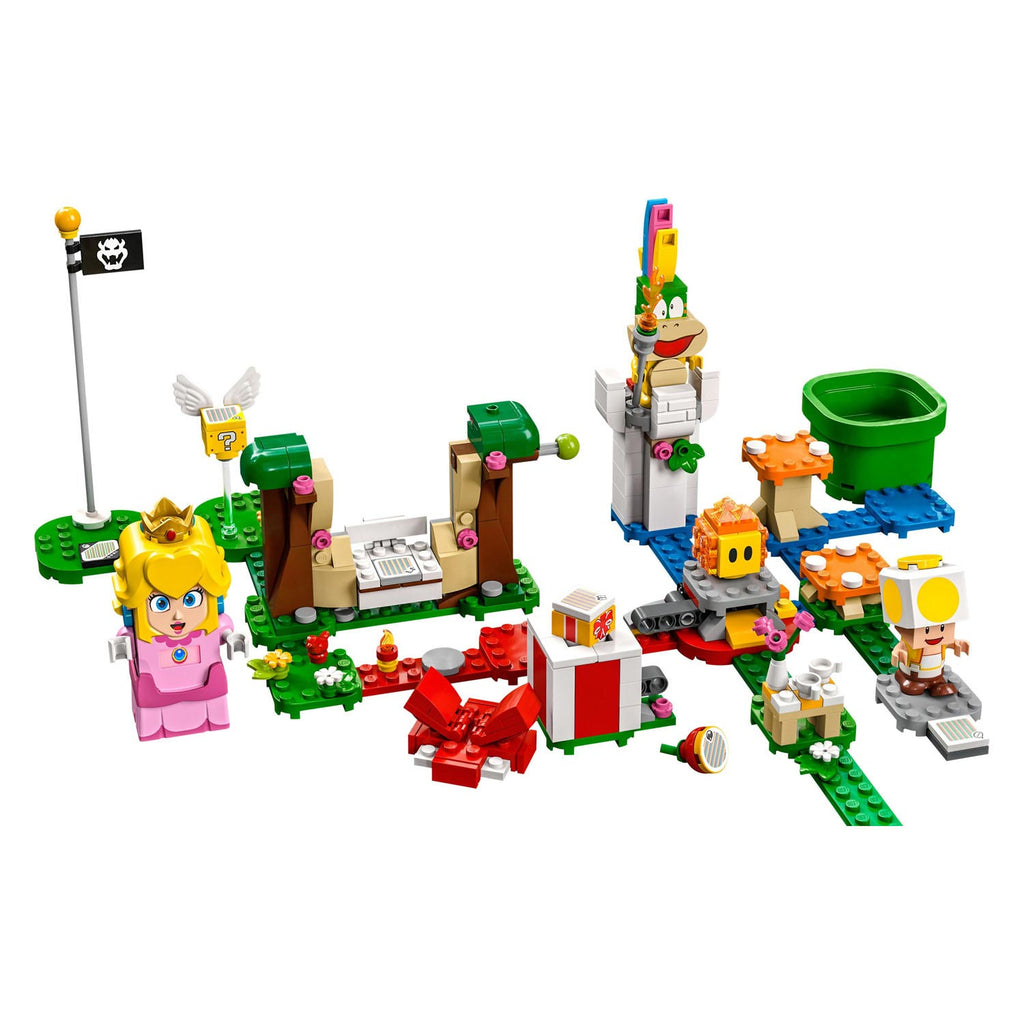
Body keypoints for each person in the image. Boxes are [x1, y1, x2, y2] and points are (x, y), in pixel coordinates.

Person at [109, 498, 247, 740]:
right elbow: (126, 639)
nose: (178, 615)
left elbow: (224, 630)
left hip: (207, 683)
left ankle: (214, 722)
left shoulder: (211, 623)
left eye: (191, 599)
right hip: (154, 687)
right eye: (160, 604)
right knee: (152, 716)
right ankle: (153, 731)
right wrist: (123, 646)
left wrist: (231, 638)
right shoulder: (138, 630)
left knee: (214, 708)